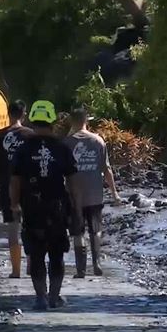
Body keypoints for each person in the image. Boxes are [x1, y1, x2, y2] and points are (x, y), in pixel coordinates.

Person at [11, 100, 79, 310]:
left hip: (32, 208)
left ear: (32, 119)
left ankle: (40, 297)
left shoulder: (23, 148)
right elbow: (73, 182)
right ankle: (54, 297)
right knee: (57, 253)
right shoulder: (62, 148)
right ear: (52, 121)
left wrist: (15, 205)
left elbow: (15, 181)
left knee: (37, 252)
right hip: (57, 207)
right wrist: (76, 208)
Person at [63, 106, 122, 278]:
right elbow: (107, 169)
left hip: (74, 196)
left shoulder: (66, 143)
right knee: (95, 230)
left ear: (72, 121)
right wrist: (115, 194)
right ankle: (96, 264)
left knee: (78, 232)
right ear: (86, 120)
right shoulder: (98, 141)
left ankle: (81, 269)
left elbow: (61, 172)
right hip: (95, 194)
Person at [0, 100, 34, 278]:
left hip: (8, 186)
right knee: (31, 226)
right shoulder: (31, 135)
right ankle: (32, 267)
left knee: (13, 228)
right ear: (24, 114)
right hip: (29, 187)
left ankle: (16, 271)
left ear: (8, 114)